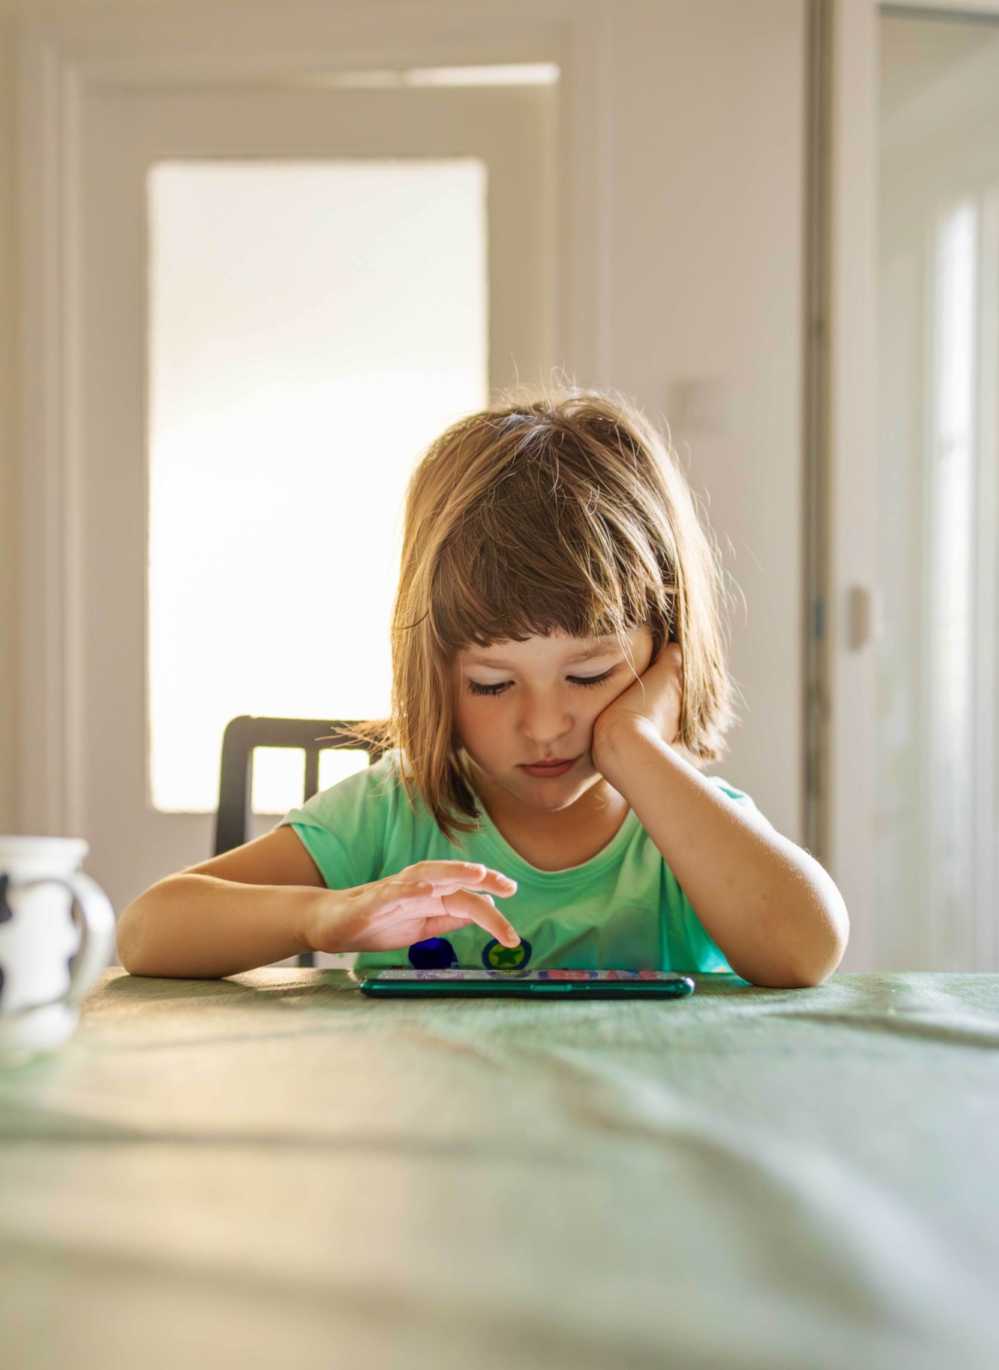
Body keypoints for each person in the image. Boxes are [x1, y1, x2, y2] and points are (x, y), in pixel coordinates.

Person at [118, 391, 848, 987]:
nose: (543, 725)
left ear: (667, 652)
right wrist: (324, 915)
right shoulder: (390, 812)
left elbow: (806, 950)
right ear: (434, 672)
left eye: (588, 676)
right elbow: (149, 930)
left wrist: (632, 745)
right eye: (493, 685)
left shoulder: (685, 828)